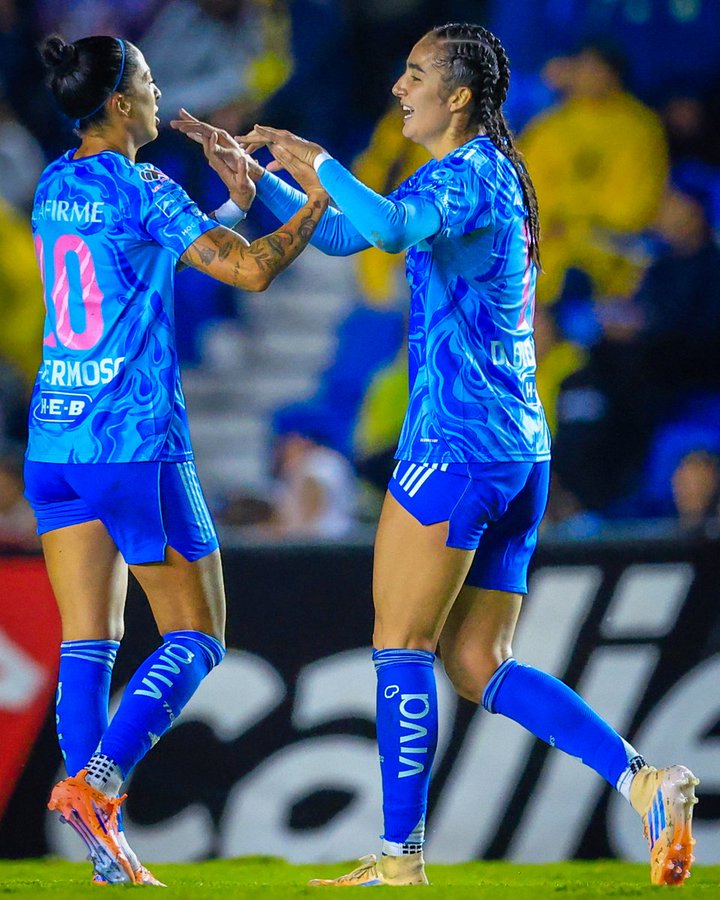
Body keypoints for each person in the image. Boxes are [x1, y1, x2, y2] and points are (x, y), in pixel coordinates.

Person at [172, 23, 698, 888]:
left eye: (415, 74)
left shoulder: (465, 173)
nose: (398, 88)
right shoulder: (482, 176)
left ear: (458, 94)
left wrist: (317, 161)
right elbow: (349, 238)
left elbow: (376, 229)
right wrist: (260, 185)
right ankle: (643, 779)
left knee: (400, 641)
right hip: (517, 452)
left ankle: (399, 857)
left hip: (455, 446)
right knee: (478, 661)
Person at [28, 33, 328, 886]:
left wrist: (227, 206)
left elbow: (139, 264)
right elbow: (252, 276)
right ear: (120, 105)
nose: (162, 93)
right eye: (150, 82)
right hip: (133, 444)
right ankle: (97, 783)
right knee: (197, 635)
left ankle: (97, 848)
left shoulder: (57, 185)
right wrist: (304, 204)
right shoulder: (144, 185)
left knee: (90, 638)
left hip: (58, 441)